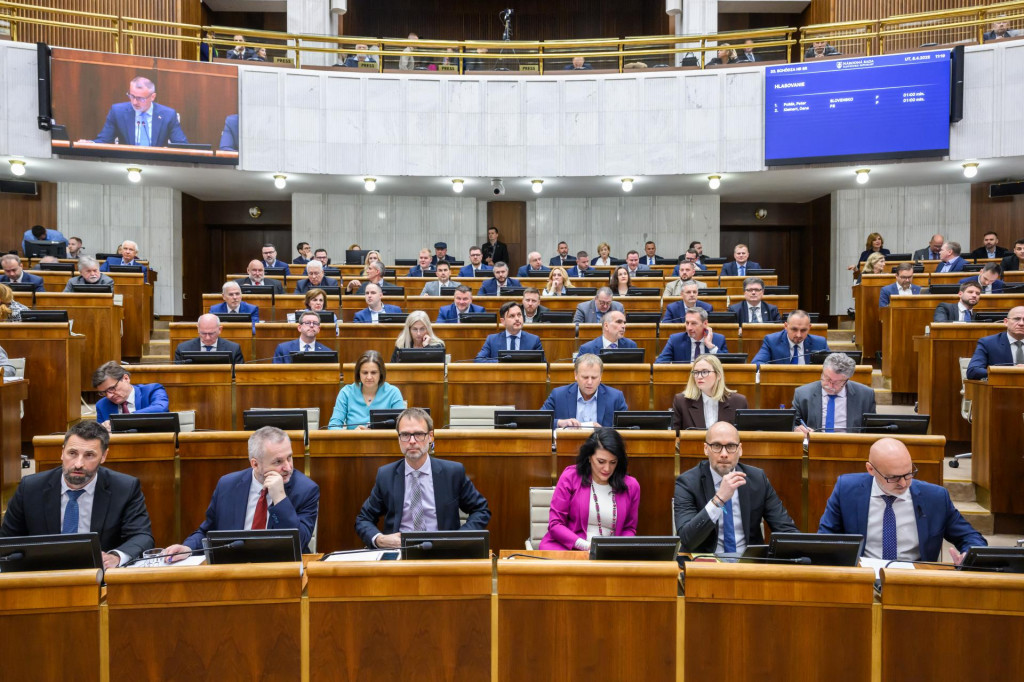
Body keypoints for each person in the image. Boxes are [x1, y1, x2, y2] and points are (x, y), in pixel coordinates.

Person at [0, 420, 154, 567]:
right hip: (42, 575)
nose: (78, 464)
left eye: (89, 455)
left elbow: (142, 536)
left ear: (104, 456)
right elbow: (7, 540)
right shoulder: (30, 488)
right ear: (62, 453)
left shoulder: (125, 488)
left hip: (98, 576)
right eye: (72, 453)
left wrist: (116, 557)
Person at [164, 426, 320, 561]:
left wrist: (280, 498)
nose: (288, 467)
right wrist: (188, 548)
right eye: (278, 462)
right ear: (255, 464)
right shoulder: (227, 485)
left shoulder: (305, 490)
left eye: (290, 458)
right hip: (234, 569)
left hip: (282, 573)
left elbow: (298, 544)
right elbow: (208, 532)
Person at [819, 438, 986, 563]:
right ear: (871, 469)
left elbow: (971, 537)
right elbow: (825, 538)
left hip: (915, 579)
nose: (903, 483)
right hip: (863, 576)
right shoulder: (847, 489)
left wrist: (968, 555)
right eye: (893, 477)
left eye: (908, 474)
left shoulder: (935, 497)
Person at [355, 408, 490, 548]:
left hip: (444, 552)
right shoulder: (386, 475)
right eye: (405, 435)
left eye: (419, 434)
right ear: (399, 439)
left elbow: (481, 510)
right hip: (400, 551)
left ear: (430, 436)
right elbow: (364, 519)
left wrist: (458, 540)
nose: (412, 441)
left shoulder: (453, 473)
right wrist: (379, 540)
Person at [674, 421, 798, 553]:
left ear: (740, 450)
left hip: (749, 564)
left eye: (731, 446)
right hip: (705, 564)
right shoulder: (688, 482)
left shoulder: (757, 479)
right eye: (716, 446)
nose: (724, 454)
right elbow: (687, 539)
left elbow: (785, 530)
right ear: (706, 449)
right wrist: (719, 500)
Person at [539, 427, 640, 550]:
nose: (607, 469)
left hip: (609, 556)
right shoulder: (571, 477)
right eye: (601, 461)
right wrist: (587, 546)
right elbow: (555, 524)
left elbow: (629, 529)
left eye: (613, 462)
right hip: (569, 549)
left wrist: (615, 548)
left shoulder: (631, 486)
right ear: (589, 457)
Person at [92, 76, 187, 147]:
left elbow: (181, 145)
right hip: (127, 163)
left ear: (152, 97)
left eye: (140, 98)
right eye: (132, 96)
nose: (134, 102)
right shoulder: (117, 112)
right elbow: (104, 140)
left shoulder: (168, 115)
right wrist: (90, 144)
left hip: (157, 164)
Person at [793, 353, 875, 433]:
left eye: (836, 383)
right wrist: (797, 429)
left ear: (846, 380)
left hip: (850, 444)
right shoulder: (802, 394)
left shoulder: (865, 395)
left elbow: (872, 429)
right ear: (822, 372)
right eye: (827, 379)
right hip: (814, 444)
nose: (830, 385)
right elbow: (792, 423)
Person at [541, 354, 628, 428]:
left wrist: (604, 432)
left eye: (594, 377)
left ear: (601, 376)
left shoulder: (615, 397)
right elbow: (540, 420)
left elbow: (625, 429)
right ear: (576, 375)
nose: (589, 382)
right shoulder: (558, 395)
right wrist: (559, 423)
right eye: (585, 377)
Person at [327, 350, 405, 430]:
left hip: (383, 442)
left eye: (373, 373)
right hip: (354, 441)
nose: (369, 377)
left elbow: (402, 427)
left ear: (381, 373)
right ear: (358, 373)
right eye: (365, 373)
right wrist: (352, 434)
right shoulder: (346, 393)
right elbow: (333, 427)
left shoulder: (393, 393)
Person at [671, 354, 748, 430]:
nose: (699, 376)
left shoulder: (739, 402)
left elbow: (744, 436)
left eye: (705, 372)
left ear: (718, 375)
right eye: (696, 372)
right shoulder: (681, 401)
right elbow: (675, 436)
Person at [92, 361, 169, 430]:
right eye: (104, 392)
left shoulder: (152, 390)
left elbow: (160, 408)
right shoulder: (102, 405)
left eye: (112, 388)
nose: (109, 396)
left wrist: (126, 419)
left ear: (126, 378)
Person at [966, 306, 1024, 379]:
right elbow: (973, 371)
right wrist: (1009, 371)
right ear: (1006, 322)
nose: (1021, 323)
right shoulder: (988, 343)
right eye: (1017, 319)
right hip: (1000, 388)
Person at [475, 301, 544, 362]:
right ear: (503, 321)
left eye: (519, 315)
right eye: (512, 316)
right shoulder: (492, 340)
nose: (517, 319)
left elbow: (543, 365)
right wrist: (502, 362)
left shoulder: (534, 340)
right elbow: (479, 360)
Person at [752, 310, 828, 364]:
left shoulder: (820, 343)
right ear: (786, 326)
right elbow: (757, 363)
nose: (799, 335)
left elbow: (834, 365)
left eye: (803, 330)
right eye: (794, 329)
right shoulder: (772, 341)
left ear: (809, 327)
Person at [656, 308, 728, 363]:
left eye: (694, 323)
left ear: (705, 324)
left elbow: (728, 366)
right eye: (687, 323)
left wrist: (710, 346)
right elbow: (658, 365)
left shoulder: (719, 339)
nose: (689, 328)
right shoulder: (675, 340)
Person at [173, 313, 245, 364]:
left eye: (211, 333)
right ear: (198, 329)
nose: (207, 338)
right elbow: (179, 374)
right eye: (203, 333)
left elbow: (238, 375)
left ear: (220, 330)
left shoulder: (234, 349)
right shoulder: (183, 349)